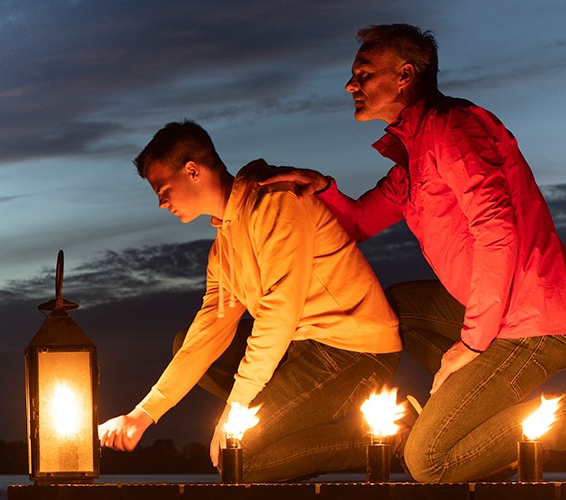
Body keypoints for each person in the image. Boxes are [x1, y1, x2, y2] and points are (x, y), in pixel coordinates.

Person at [260, 24, 566, 483]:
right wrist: (320, 188)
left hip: (539, 323)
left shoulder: (453, 127)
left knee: (427, 463)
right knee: (391, 310)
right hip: (500, 313)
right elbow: (358, 222)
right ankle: (477, 428)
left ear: (405, 75)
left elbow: (498, 231)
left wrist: (470, 345)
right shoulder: (413, 155)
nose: (351, 85)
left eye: (364, 73)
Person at [97, 120, 403, 482]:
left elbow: (279, 314)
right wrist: (142, 415)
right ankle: (284, 421)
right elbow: (207, 332)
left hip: (353, 349)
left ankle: (394, 435)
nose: (162, 203)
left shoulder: (276, 202)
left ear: (192, 171)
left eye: (163, 189)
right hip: (298, 347)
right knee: (188, 343)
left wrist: (235, 413)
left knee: (241, 461)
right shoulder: (223, 246)